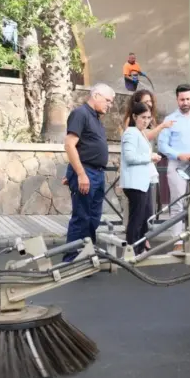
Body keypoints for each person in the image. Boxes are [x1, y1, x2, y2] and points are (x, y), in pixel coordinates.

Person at [62, 83, 115, 262]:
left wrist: (73, 172)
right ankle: (71, 259)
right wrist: (79, 174)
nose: (110, 104)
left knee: (93, 218)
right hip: (87, 173)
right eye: (108, 100)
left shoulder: (95, 118)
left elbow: (84, 147)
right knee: (82, 217)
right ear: (97, 96)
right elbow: (70, 145)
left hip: (96, 174)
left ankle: (86, 255)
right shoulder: (81, 114)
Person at [157, 84, 190, 251]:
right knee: (177, 203)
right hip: (176, 165)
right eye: (182, 99)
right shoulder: (169, 120)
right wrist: (179, 155)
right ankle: (178, 241)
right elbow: (162, 145)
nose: (185, 102)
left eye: (188, 99)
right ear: (177, 100)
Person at [120, 101, 163, 254]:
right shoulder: (131, 132)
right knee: (136, 220)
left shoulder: (139, 133)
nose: (146, 121)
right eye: (143, 117)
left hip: (141, 183)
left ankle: (138, 250)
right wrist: (150, 157)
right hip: (134, 183)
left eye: (148, 118)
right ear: (134, 116)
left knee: (143, 220)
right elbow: (130, 157)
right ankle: (132, 252)